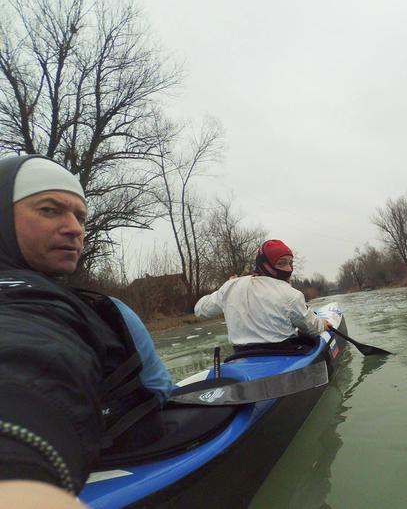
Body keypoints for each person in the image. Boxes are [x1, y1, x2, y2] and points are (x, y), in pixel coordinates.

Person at [0, 154, 172, 501]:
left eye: (80, 216)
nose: (75, 228)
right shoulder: (98, 311)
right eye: (49, 209)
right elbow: (26, 356)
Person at [194, 239, 331, 350]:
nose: (289, 269)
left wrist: (225, 289)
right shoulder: (292, 294)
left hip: (241, 354)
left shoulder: (231, 285)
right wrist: (322, 324)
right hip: (282, 353)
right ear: (265, 264)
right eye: (282, 263)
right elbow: (312, 327)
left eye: (290, 263)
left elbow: (200, 310)